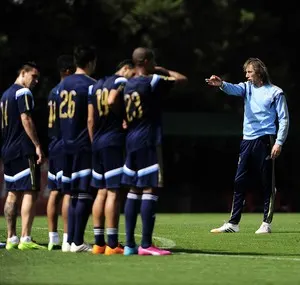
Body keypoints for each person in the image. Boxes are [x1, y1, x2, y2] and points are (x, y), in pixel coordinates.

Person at [206, 57, 289, 234]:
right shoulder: (246, 88)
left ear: (259, 72)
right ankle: (233, 223)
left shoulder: (275, 92)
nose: (247, 75)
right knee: (239, 181)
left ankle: (266, 223)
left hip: (266, 139)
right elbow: (233, 88)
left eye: (249, 72)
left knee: (267, 182)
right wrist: (221, 84)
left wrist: (279, 142)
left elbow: (284, 119)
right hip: (247, 140)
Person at [122, 47, 187, 255]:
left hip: (130, 140)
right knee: (150, 189)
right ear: (148, 61)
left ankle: (130, 245)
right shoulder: (152, 81)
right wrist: (161, 69)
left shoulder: (128, 84)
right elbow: (182, 79)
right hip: (148, 139)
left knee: (133, 190)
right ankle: (146, 244)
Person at [88, 59, 135, 255]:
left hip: (97, 142)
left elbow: (90, 119)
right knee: (114, 192)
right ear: (126, 69)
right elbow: (111, 100)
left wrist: (93, 142)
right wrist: (123, 116)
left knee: (101, 191)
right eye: (132, 73)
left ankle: (98, 243)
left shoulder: (96, 85)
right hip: (113, 141)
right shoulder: (120, 81)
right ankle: (113, 244)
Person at [1, 62, 45, 250]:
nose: (36, 81)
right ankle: (26, 238)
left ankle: (11, 238)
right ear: (23, 72)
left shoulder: (4, 95)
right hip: (22, 149)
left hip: (8, 149)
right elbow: (25, 118)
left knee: (12, 193)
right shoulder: (23, 93)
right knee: (30, 190)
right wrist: (37, 145)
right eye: (33, 76)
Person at [58, 45, 97, 252]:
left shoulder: (63, 85)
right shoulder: (91, 85)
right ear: (91, 62)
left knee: (72, 193)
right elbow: (91, 120)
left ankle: (70, 241)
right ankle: (78, 241)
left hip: (65, 144)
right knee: (83, 193)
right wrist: (95, 144)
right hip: (83, 144)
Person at [47, 55, 76, 251]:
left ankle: (53, 238)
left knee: (54, 192)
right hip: (65, 144)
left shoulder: (51, 92)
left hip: (53, 143)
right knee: (67, 192)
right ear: (67, 71)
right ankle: (67, 238)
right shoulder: (68, 91)